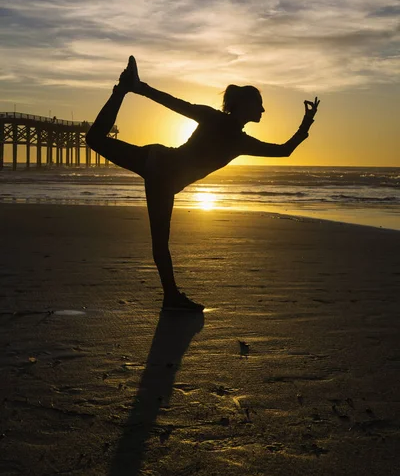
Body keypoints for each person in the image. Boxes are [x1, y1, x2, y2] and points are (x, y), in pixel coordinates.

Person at [86, 57, 320, 312]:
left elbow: (283, 151)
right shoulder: (224, 128)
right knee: (95, 141)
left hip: (159, 169)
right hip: (159, 167)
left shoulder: (237, 138)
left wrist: (306, 124)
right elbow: (175, 104)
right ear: (244, 106)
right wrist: (140, 87)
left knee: (96, 140)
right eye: (259, 105)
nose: (263, 111)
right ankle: (171, 297)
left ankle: (171, 297)